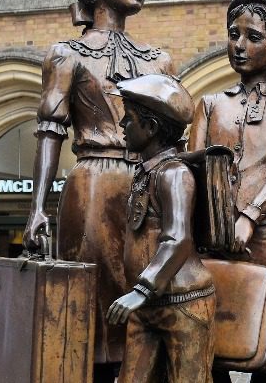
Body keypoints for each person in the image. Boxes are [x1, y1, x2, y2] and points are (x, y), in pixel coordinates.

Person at [21, 0, 173, 381]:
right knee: (92, 297)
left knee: (150, 292)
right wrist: (36, 209)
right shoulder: (66, 54)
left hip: (148, 185)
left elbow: (174, 138)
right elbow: (50, 132)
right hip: (92, 182)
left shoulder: (158, 61)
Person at [189, 0, 266, 382]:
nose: (239, 45)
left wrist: (249, 215)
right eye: (233, 34)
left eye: (253, 37)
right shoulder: (209, 104)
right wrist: (211, 223)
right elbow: (193, 167)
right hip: (213, 231)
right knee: (212, 329)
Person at [106, 74, 215, 383]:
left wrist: (140, 289)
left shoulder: (174, 174)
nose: (122, 125)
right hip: (147, 305)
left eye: (129, 119)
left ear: (151, 128)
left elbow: (177, 239)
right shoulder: (145, 174)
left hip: (183, 304)